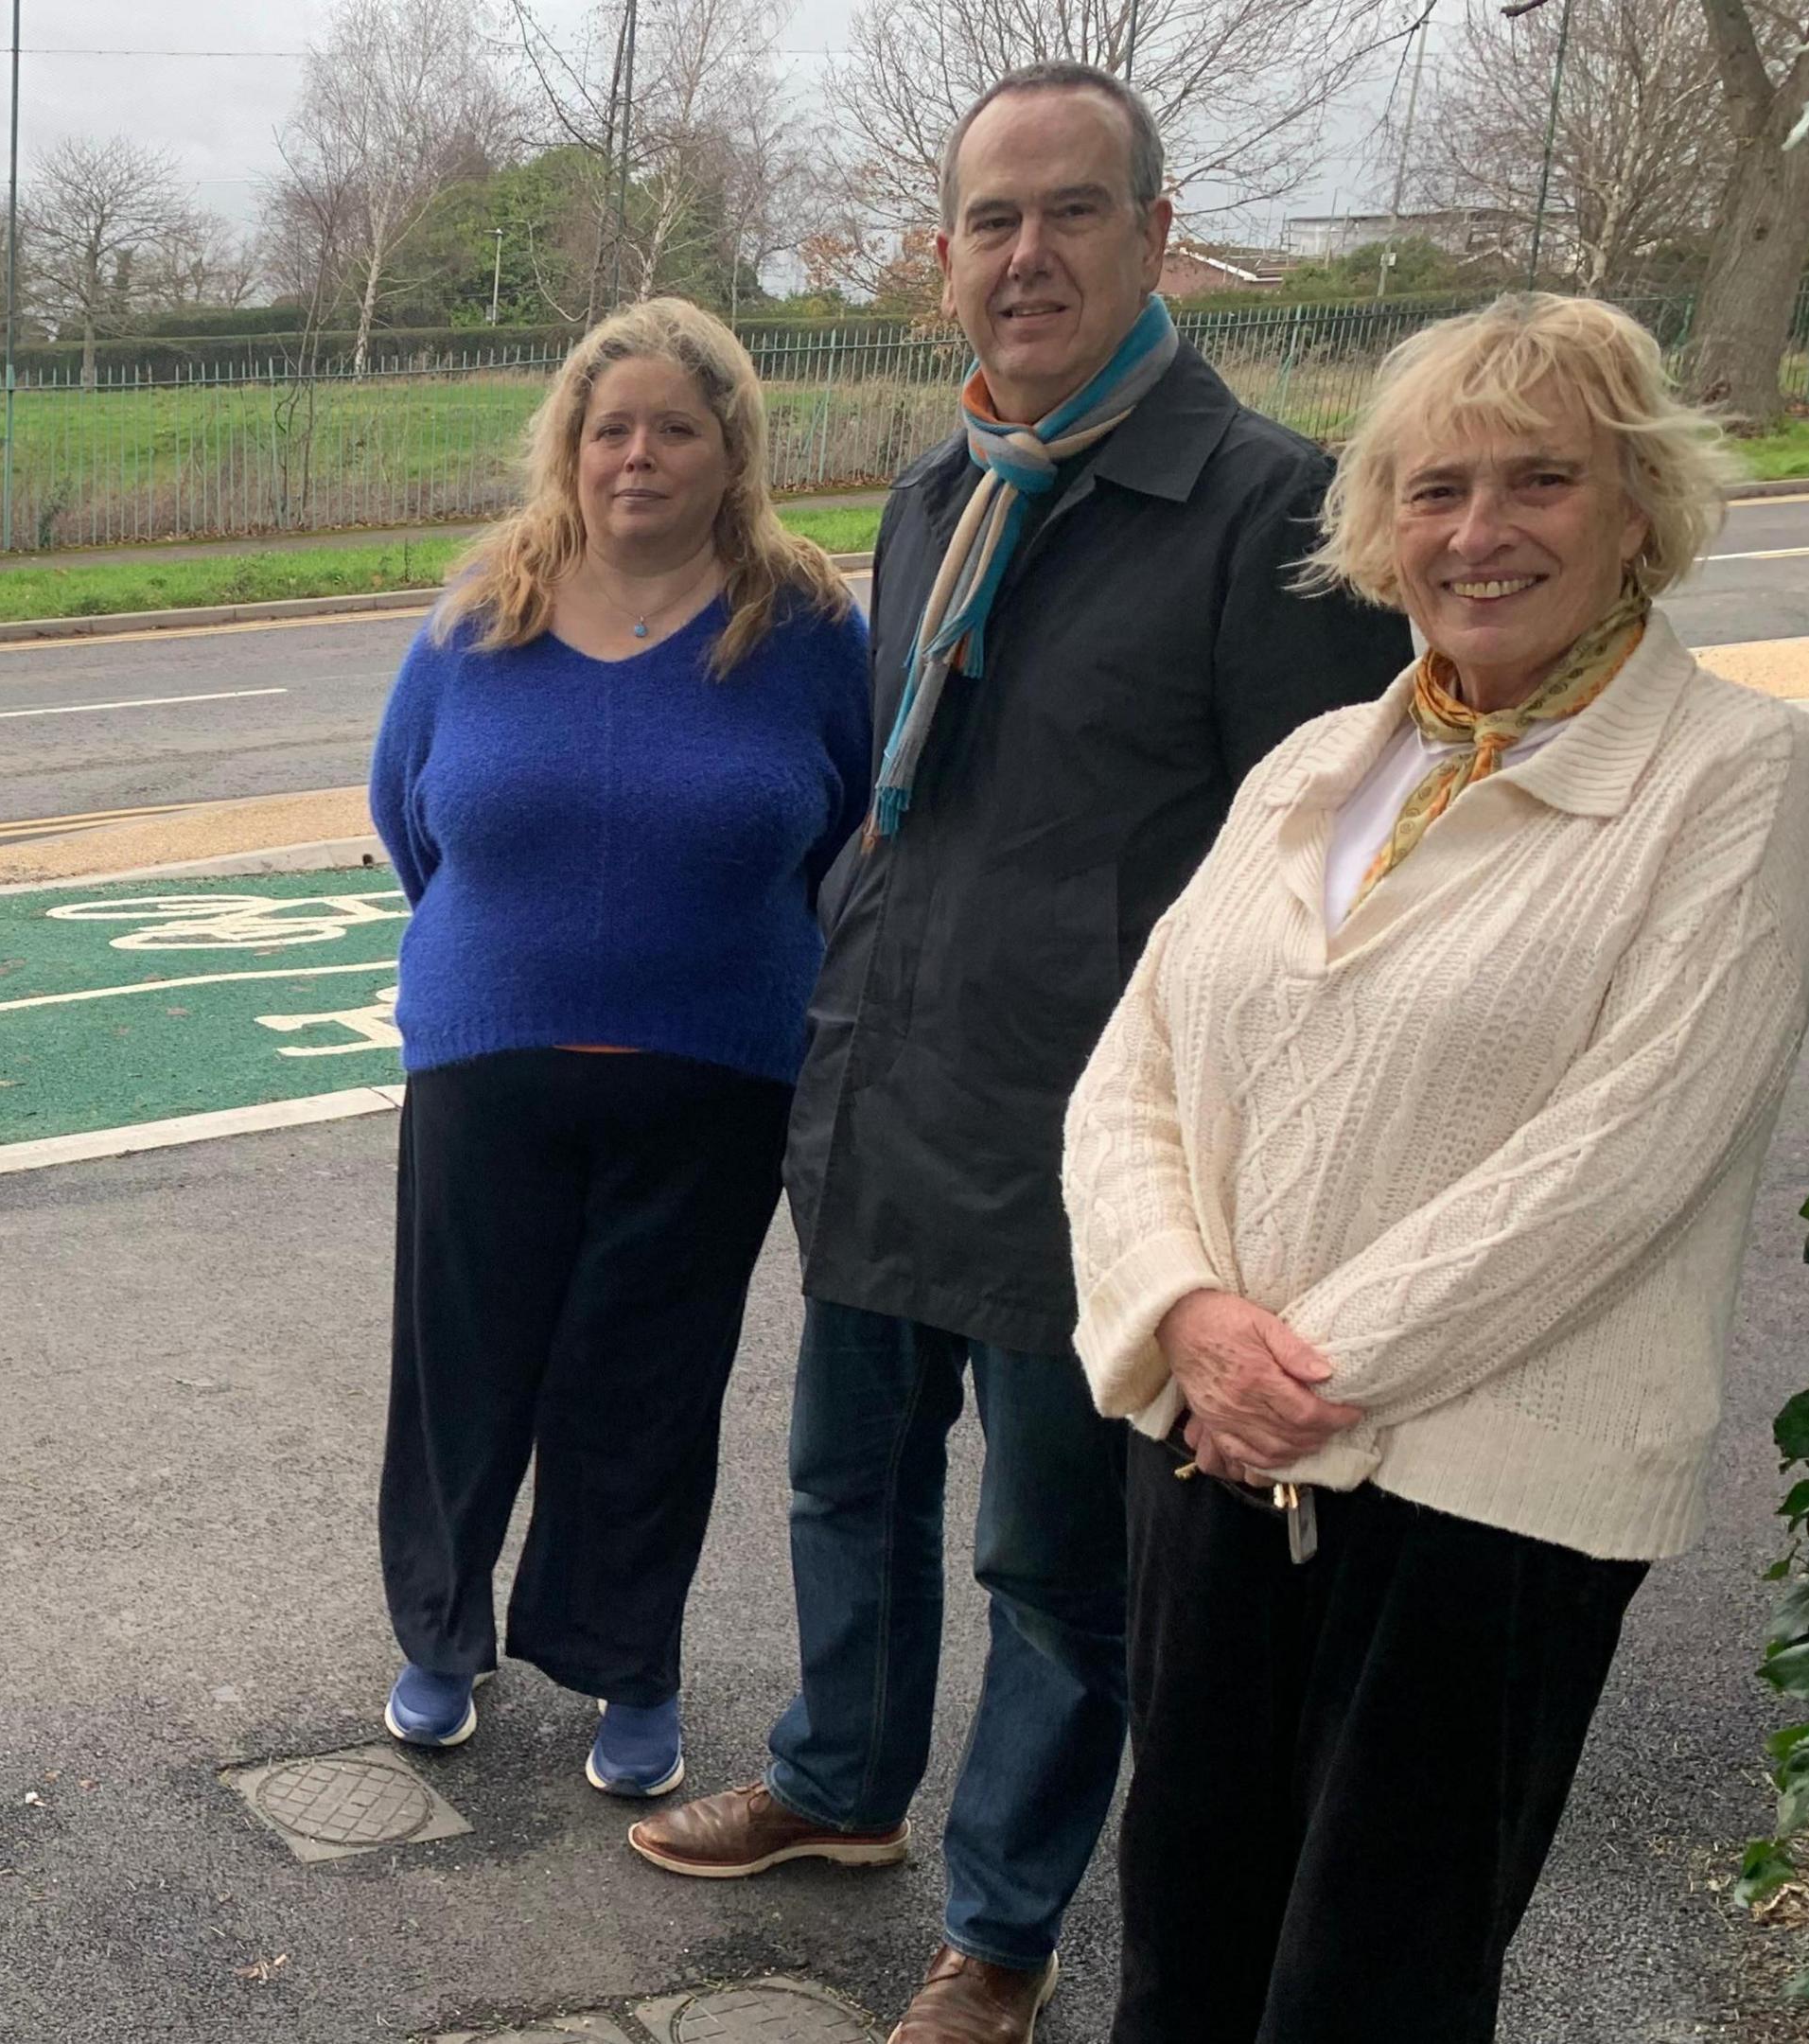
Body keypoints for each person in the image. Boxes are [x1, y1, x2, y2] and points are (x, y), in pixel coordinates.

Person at [626, 63, 1415, 2044]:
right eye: (992, 220)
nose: (1028, 254)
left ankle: (1002, 1923)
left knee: (1055, 1567)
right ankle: (835, 1784)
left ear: (1157, 240)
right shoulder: (933, 492)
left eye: (1073, 212)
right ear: (947, 262)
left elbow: (1313, 899)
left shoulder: (1266, 514)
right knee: (842, 1487)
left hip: (1099, 1159)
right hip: (887, 1091)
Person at [1060, 293, 1809, 2042]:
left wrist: (1301, 1375)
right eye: (1432, 490)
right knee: (1181, 1953)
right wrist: (1186, 1318)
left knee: (1371, 1988)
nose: (1479, 534)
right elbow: (1131, 1080)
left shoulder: (1739, 775)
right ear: (1378, 527)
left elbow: (1628, 1150)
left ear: (1639, 505)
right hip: (1216, 1462)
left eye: (1540, 480)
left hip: (1492, 1501)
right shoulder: (1310, 768)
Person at [363, 299, 869, 1799]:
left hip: (714, 1076)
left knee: (646, 1385)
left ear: (732, 453)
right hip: (488, 1065)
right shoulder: (477, 621)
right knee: (464, 1369)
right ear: (570, 452)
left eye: (675, 428)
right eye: (610, 429)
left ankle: (624, 1663)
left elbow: (845, 827)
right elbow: (409, 818)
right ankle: (441, 1638)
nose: (638, 455)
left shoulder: (806, 631)